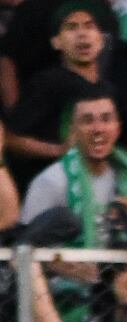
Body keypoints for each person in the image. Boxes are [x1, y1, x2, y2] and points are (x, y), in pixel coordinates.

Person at [14, 84, 127, 248]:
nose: (98, 129)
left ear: (118, 128)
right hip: (59, 275)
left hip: (114, 272)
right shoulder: (51, 181)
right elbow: (21, 248)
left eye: (106, 119)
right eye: (87, 120)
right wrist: (60, 265)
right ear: (73, 130)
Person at [2, 0, 112, 190]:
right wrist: (60, 151)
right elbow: (12, 139)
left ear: (102, 39)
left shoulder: (107, 90)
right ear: (56, 41)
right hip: (46, 186)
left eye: (89, 26)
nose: (82, 34)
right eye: (71, 27)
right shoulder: (48, 83)